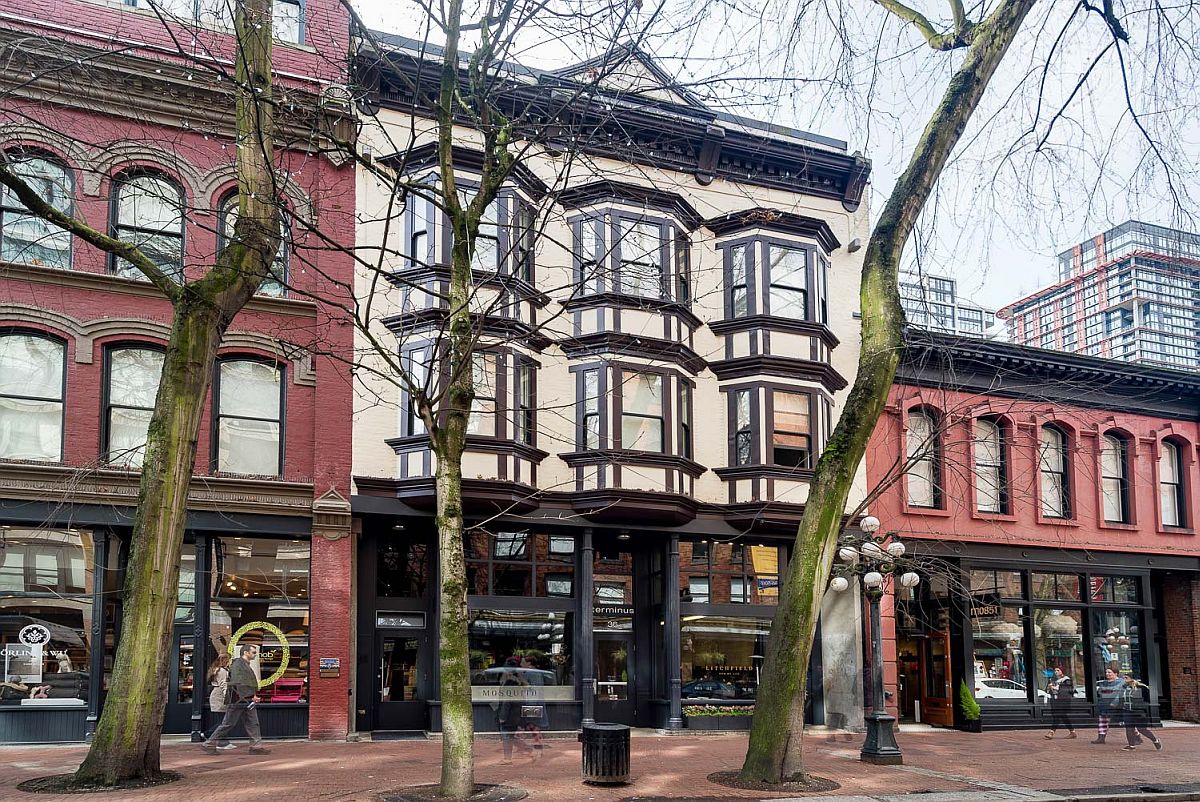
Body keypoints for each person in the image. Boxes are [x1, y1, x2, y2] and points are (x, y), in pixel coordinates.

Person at [202, 644, 270, 755]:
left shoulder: (244, 664)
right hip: (238, 700)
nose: (255, 654)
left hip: (245, 700)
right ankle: (209, 743)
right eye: (253, 652)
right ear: (246, 653)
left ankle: (256, 746)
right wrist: (251, 696)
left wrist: (252, 695)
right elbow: (239, 683)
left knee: (253, 723)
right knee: (228, 724)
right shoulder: (238, 665)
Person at [495, 657, 535, 764]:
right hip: (516, 713)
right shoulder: (519, 681)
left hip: (509, 714)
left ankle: (507, 759)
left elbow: (507, 702)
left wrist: (502, 717)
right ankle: (527, 748)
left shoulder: (510, 682)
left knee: (506, 736)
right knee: (510, 736)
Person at [1118, 674, 1162, 751]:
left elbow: (1147, 699)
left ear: (1132, 678)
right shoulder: (1124, 688)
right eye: (1123, 678)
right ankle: (1131, 745)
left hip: (1139, 712)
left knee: (1142, 729)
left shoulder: (1141, 687)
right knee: (1129, 728)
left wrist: (1143, 709)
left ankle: (1155, 740)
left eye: (1126, 678)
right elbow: (1121, 699)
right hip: (1127, 711)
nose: (1124, 679)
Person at [206, 653, 236, 750]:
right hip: (219, 697)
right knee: (223, 722)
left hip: (217, 695)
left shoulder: (217, 670)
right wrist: (227, 697)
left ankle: (222, 741)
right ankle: (212, 736)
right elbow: (224, 684)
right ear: (225, 660)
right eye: (229, 660)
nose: (230, 662)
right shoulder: (222, 671)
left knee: (223, 721)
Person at [519, 656, 549, 751]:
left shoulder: (528, 673)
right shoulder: (538, 673)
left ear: (528, 663)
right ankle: (537, 742)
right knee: (532, 723)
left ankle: (520, 743)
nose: (521, 664)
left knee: (528, 723)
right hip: (537, 701)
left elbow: (526, 687)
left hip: (531, 701)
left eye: (523, 662)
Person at [1092, 667, 1122, 744]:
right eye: (1106, 672)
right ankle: (1101, 738)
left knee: (1125, 720)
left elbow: (1120, 694)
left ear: (1115, 673)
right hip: (1105, 703)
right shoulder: (1105, 682)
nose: (1107, 674)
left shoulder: (1121, 682)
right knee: (1103, 720)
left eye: (1109, 672)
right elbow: (1100, 691)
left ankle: (1136, 736)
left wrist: (1115, 702)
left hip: (1116, 705)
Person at [1044, 667, 1076, 739]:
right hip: (1055, 700)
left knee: (1057, 716)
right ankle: (1072, 732)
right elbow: (1047, 690)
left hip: (1063, 701)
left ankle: (1051, 732)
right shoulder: (1052, 680)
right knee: (1063, 716)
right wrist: (1049, 688)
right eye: (1055, 670)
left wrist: (1053, 687)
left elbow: (1065, 690)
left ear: (1062, 671)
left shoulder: (1066, 680)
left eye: (1058, 670)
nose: (1056, 672)